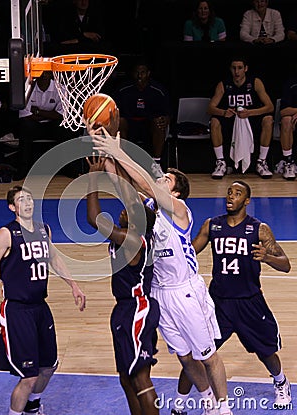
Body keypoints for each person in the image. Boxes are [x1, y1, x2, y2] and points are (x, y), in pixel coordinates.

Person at [91, 126, 233, 415]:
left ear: (177, 190)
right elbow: (123, 185)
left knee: (207, 355)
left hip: (186, 291)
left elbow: (144, 185)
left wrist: (119, 151)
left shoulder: (180, 210)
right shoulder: (150, 209)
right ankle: (207, 401)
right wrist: (104, 152)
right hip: (159, 293)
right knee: (184, 356)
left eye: (166, 179)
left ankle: (224, 408)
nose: (160, 180)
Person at [175, 180, 292, 410]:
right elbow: (187, 252)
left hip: (250, 302)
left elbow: (286, 265)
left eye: (237, 194)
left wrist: (267, 257)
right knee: (200, 353)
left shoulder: (259, 229)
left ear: (247, 201)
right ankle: (181, 402)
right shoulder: (212, 226)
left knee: (265, 352)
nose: (231, 197)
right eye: (229, 192)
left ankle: (281, 382)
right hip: (218, 304)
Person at [0, 185, 86, 415]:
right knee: (29, 375)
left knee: (49, 367)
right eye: (22, 200)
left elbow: (53, 257)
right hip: (17, 311)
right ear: (13, 207)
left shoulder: (44, 230)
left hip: (40, 307)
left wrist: (72, 284)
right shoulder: (6, 234)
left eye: (30, 199)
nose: (28, 203)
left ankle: (33, 406)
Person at [87, 153, 159, 415]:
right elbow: (128, 192)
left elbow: (94, 219)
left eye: (130, 211)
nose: (124, 209)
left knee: (140, 378)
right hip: (125, 310)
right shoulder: (132, 236)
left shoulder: (131, 240)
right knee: (126, 378)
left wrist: (93, 180)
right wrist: (111, 159)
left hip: (137, 309)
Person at [208, 57, 274, 179]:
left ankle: (262, 162)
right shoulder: (224, 85)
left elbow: (270, 107)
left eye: (240, 68)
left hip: (251, 118)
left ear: (246, 69)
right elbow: (210, 108)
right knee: (214, 121)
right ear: (230, 69)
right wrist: (223, 112)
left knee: (268, 119)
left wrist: (250, 112)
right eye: (234, 68)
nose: (237, 72)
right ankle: (221, 162)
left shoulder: (255, 82)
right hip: (232, 120)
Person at [115, 61, 170, 166]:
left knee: (159, 123)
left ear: (148, 73)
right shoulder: (123, 89)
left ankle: (156, 162)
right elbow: (114, 111)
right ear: (132, 73)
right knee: (120, 121)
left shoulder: (158, 90)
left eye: (143, 72)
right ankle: (123, 162)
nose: (139, 75)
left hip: (149, 125)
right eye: (137, 72)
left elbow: (167, 113)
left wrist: (165, 120)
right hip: (130, 125)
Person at [16, 71, 68, 179]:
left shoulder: (60, 89)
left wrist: (38, 112)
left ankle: (69, 169)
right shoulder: (27, 88)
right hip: (33, 125)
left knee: (65, 128)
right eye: (41, 73)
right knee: (25, 126)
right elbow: (25, 115)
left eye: (47, 73)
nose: (44, 76)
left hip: (52, 125)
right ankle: (23, 169)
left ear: (51, 75)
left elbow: (61, 115)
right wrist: (49, 114)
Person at [276, 75, 297, 180]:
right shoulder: (292, 83)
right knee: (286, 120)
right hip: (293, 120)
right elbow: (284, 111)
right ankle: (288, 162)